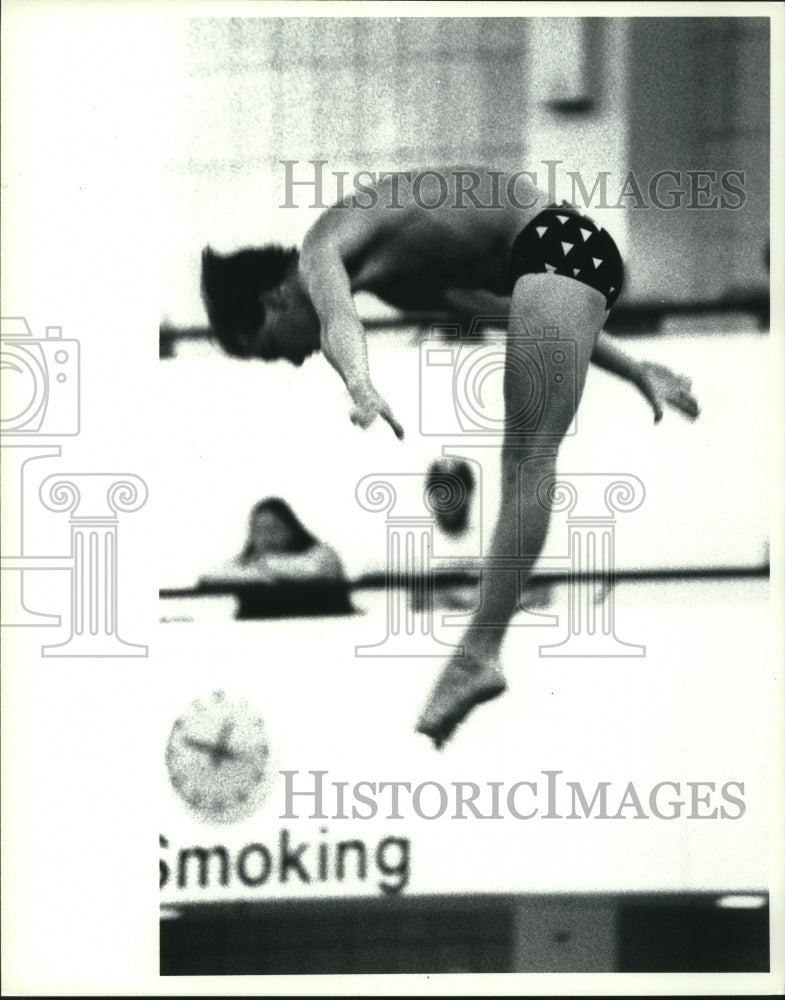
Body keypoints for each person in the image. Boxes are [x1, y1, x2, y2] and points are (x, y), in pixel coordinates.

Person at [201, 167, 699, 746]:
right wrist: (634, 368)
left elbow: (339, 320)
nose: (289, 361)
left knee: (527, 460)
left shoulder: (318, 251)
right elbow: (519, 314)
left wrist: (360, 384)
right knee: (523, 458)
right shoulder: (393, 279)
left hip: (559, 244)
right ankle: (480, 651)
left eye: (269, 350)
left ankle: (479, 653)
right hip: (563, 259)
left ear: (274, 300)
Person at [200, 497, 349, 617]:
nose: (266, 537)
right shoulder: (250, 563)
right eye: (258, 530)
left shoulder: (322, 555)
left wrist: (266, 567)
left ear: (292, 530)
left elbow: (316, 569)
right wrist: (257, 569)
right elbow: (208, 576)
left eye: (273, 529)